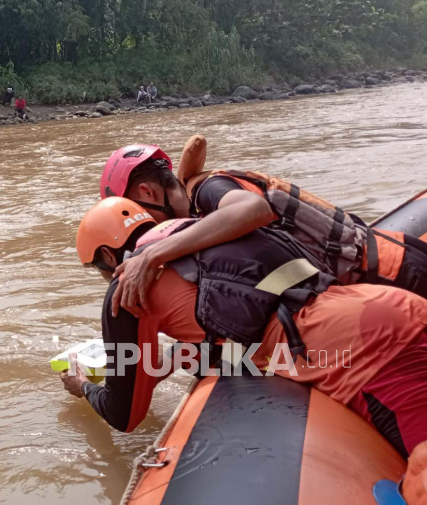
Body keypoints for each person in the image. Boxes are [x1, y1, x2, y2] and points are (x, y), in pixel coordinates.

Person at [64, 197, 427, 462]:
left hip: (366, 355)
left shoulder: (128, 287)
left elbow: (124, 414)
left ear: (109, 258)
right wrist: (175, 358)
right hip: (393, 306)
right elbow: (260, 312)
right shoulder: (209, 228)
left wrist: (83, 387)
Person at [101, 143, 427, 309]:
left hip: (396, 273)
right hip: (387, 269)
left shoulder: (209, 190)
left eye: (136, 212)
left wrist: (151, 255)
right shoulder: (203, 216)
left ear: (148, 192)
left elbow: (253, 209)